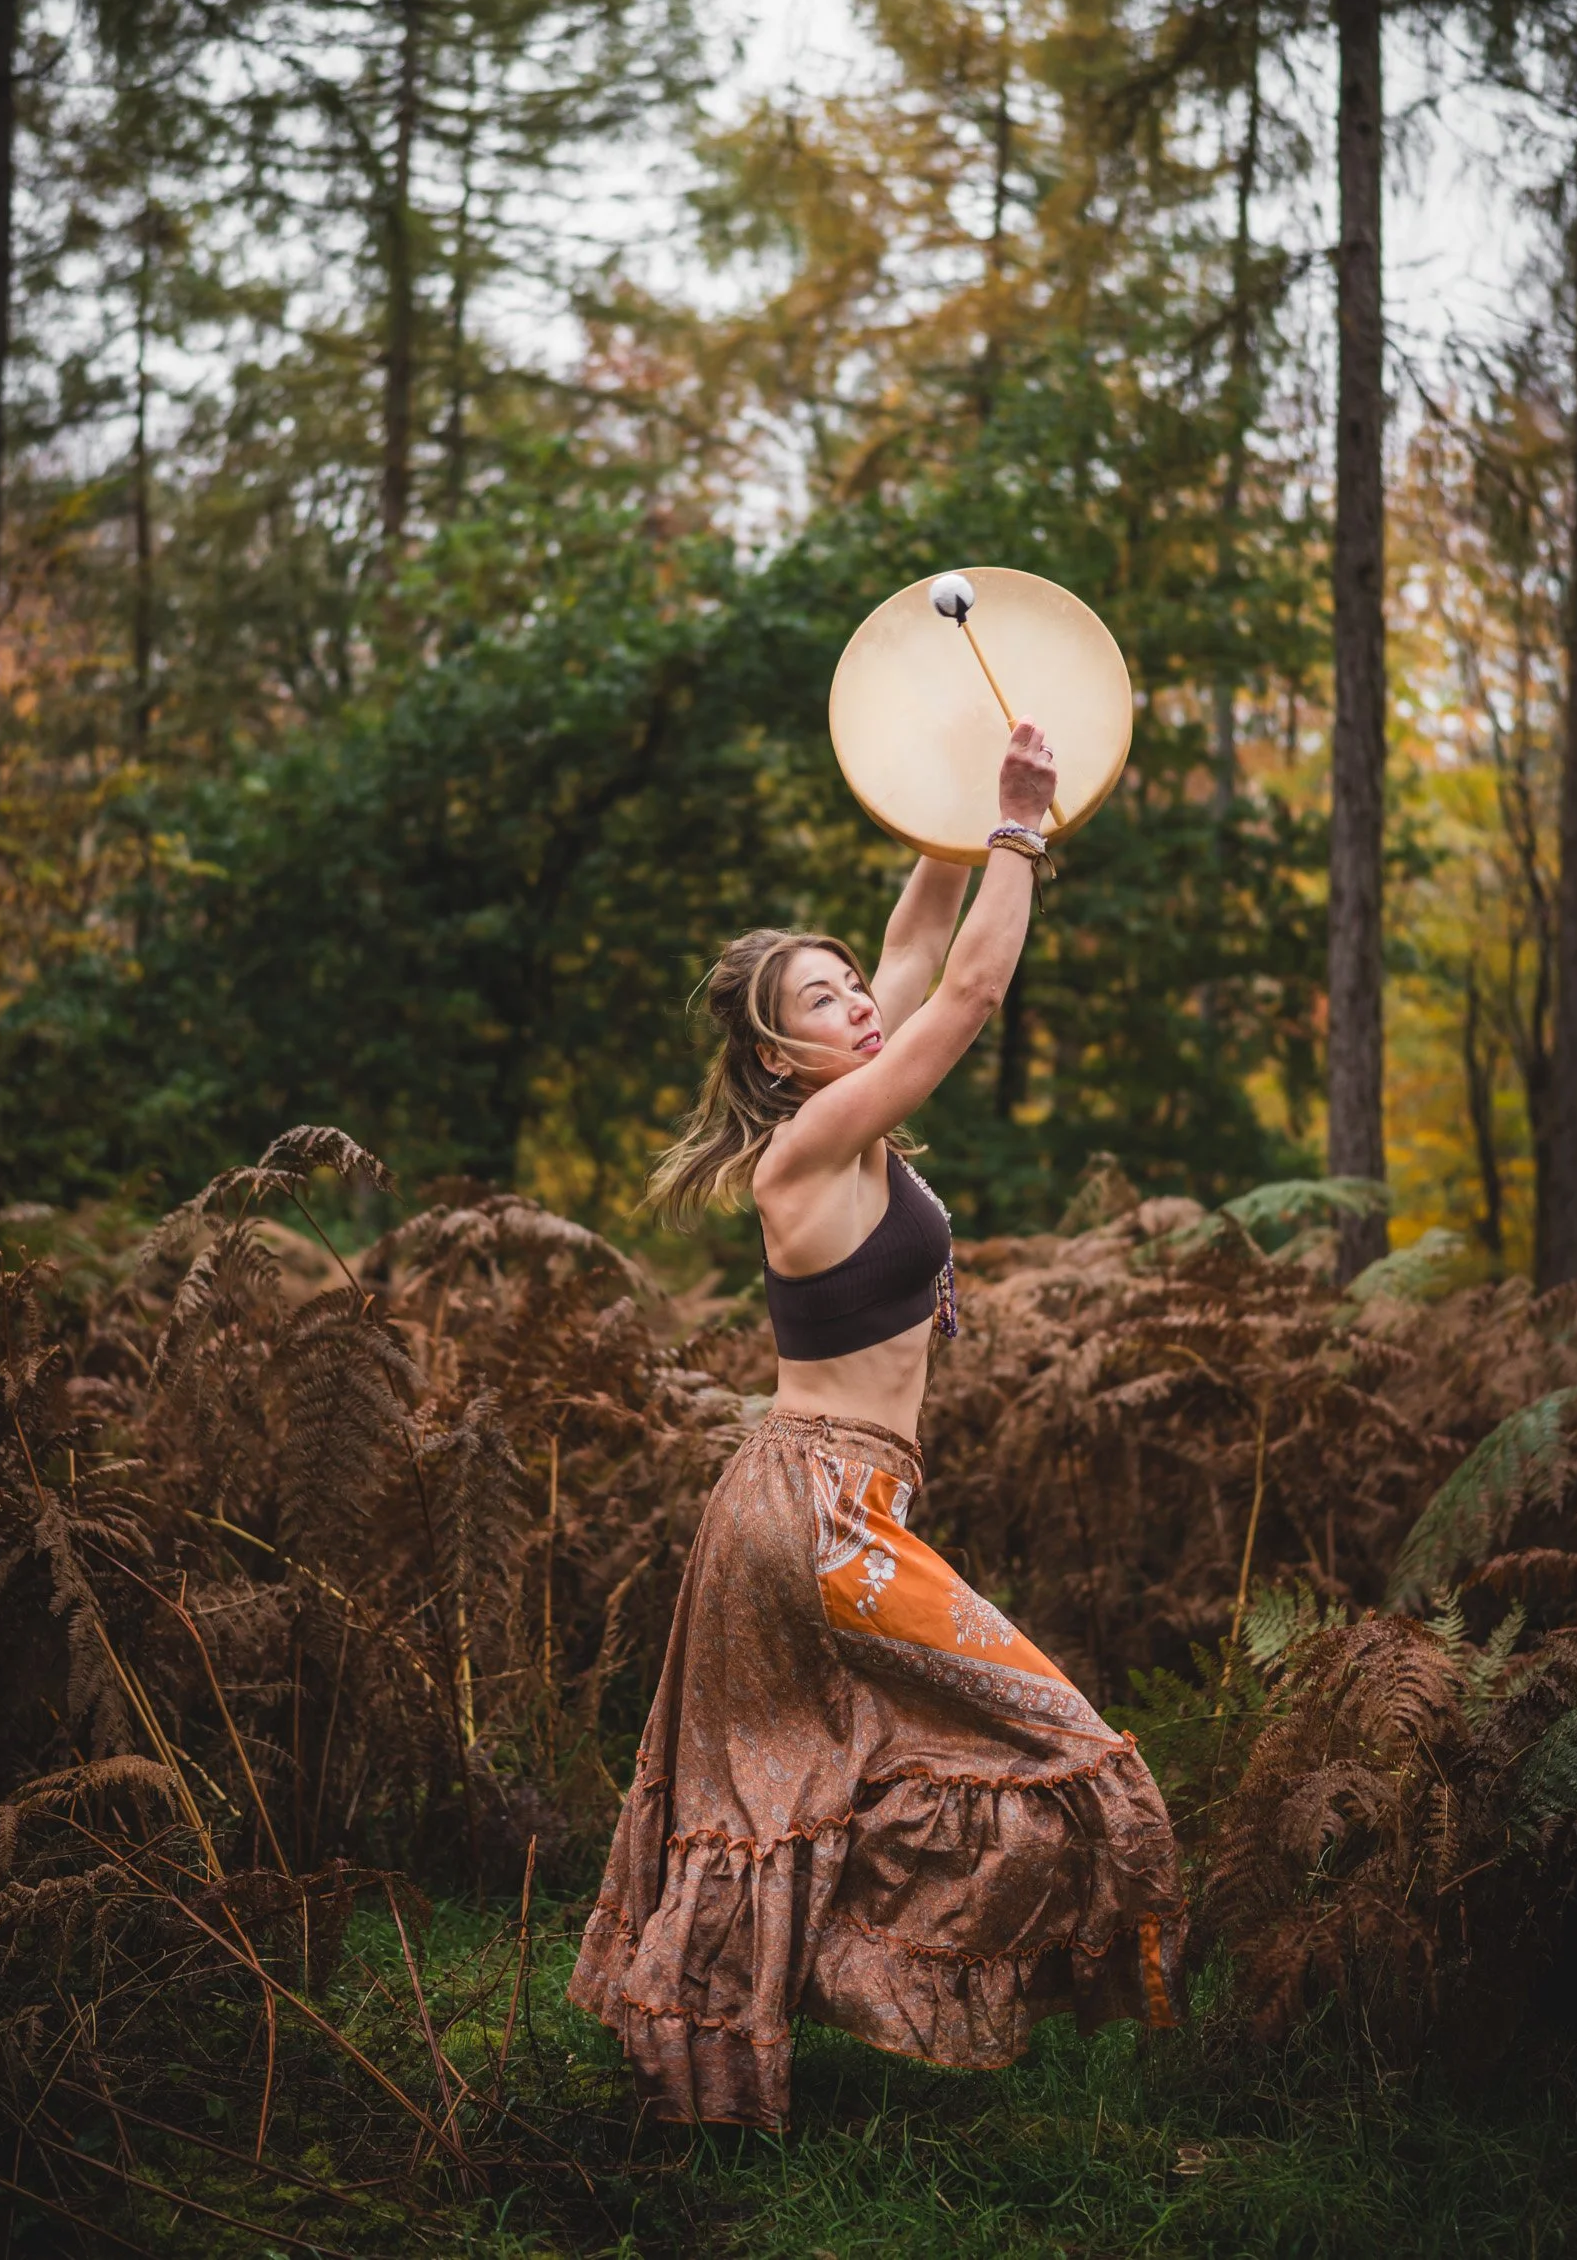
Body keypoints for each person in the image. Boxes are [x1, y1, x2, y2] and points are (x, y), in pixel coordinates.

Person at [568, 719, 1185, 2129]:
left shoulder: (840, 1105)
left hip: (819, 1512)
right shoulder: (808, 1150)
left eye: (853, 986)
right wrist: (1020, 829)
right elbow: (965, 991)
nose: (859, 1003)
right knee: (1064, 1740)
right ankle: (815, 2015)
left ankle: (713, 2081)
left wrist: (951, 811)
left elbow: (916, 948)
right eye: (824, 998)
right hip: (816, 1519)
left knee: (788, 1792)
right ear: (774, 1054)